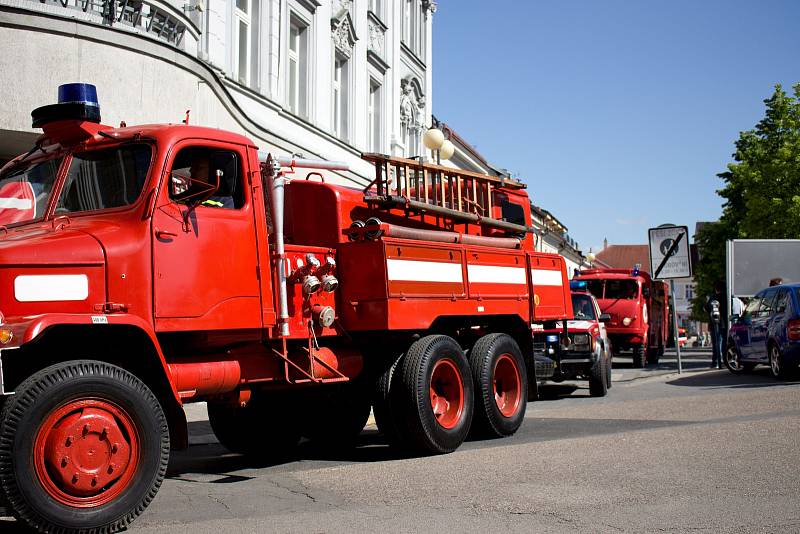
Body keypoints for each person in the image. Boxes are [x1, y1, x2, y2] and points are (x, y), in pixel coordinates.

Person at [705, 282, 727, 369]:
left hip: (714, 323)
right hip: (725, 322)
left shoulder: (713, 297)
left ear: (716, 289)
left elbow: (706, 308)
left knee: (716, 343)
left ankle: (716, 361)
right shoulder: (727, 297)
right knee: (724, 342)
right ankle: (725, 360)